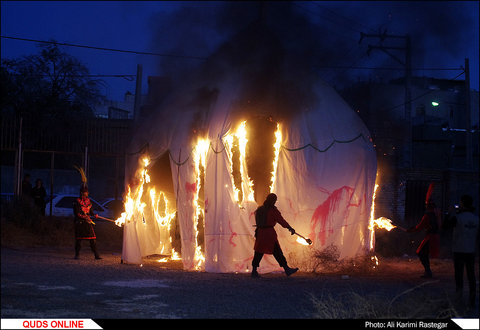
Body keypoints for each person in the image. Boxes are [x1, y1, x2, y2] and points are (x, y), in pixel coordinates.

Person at [443, 194, 479, 308]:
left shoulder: (458, 218)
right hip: (471, 250)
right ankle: (472, 301)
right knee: (471, 275)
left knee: (459, 276)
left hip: (459, 250)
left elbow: (445, 226)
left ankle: (459, 299)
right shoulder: (476, 218)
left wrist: (448, 213)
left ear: (462, 203)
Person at [251, 193, 298, 278]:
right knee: (277, 251)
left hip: (260, 233)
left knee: (258, 252)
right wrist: (289, 228)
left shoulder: (260, 209)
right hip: (269, 234)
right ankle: (287, 269)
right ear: (273, 201)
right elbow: (281, 220)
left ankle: (254, 271)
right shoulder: (273, 210)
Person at [407, 199, 440, 278]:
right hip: (434, 237)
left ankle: (428, 271)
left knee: (421, 253)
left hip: (430, 238)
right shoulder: (436, 215)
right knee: (424, 253)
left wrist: (412, 230)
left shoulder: (427, 216)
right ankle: (427, 271)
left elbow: (419, 227)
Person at [73, 184, 101, 260]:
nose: (87, 193)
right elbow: (76, 213)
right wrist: (84, 217)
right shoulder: (77, 201)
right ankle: (77, 254)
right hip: (80, 222)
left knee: (93, 238)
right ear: (82, 193)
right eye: (86, 192)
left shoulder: (89, 201)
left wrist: (94, 215)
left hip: (88, 222)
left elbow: (90, 212)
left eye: (87, 192)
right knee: (79, 239)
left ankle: (96, 255)